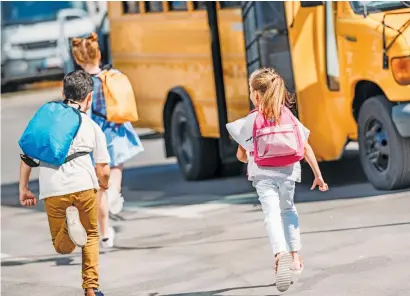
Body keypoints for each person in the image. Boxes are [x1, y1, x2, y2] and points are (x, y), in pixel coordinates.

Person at [235, 68, 329, 292]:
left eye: (251, 91)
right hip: (288, 173)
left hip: (263, 175)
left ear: (256, 95)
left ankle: (280, 254)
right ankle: (295, 256)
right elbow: (305, 146)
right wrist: (318, 175)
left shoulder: (251, 120)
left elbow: (241, 155)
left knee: (271, 214)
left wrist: (245, 154)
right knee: (288, 210)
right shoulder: (289, 116)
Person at [18, 70, 110, 296]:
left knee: (62, 247)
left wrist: (24, 188)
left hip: (54, 189)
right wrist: (104, 185)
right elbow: (103, 168)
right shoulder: (91, 126)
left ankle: (68, 232)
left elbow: (27, 156)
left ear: (63, 93)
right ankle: (91, 289)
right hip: (84, 185)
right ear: (89, 97)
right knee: (90, 235)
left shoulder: (48, 123)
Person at [71, 33, 144, 248]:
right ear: (99, 54)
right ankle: (114, 195)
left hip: (91, 137)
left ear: (77, 59)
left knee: (98, 189)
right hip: (115, 131)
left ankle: (105, 234)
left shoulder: (78, 84)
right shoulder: (114, 75)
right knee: (116, 170)